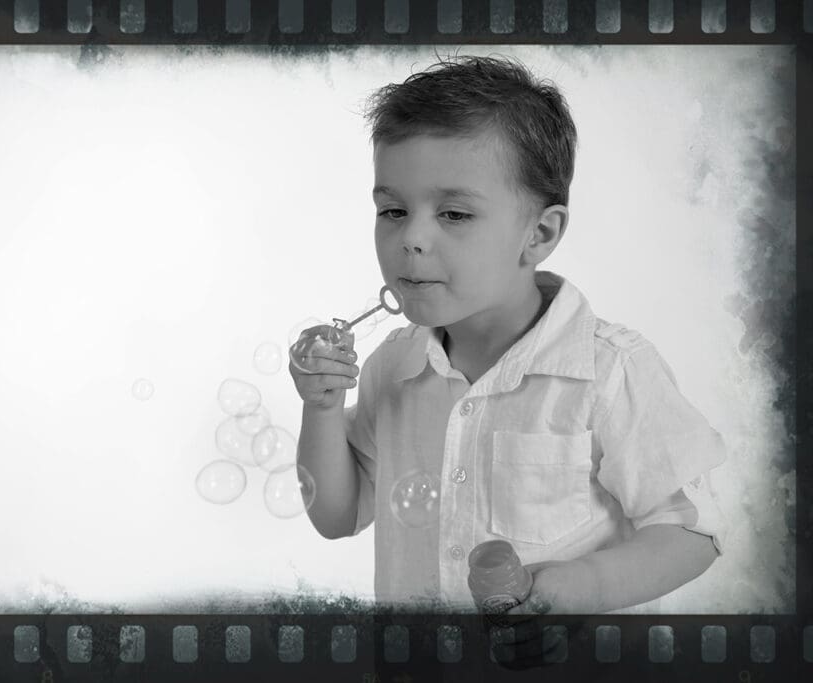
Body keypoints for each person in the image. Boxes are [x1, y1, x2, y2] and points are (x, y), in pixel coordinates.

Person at [289, 55, 726, 615]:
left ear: (539, 234)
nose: (411, 238)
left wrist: (576, 588)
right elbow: (336, 516)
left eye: (454, 214)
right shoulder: (392, 368)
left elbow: (693, 534)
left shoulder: (610, 371)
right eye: (393, 210)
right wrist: (322, 408)